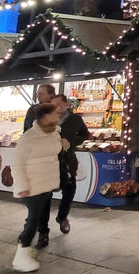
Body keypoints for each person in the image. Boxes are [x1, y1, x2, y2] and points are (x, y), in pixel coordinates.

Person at [12, 103, 62, 273]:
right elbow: (17, 164)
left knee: (40, 217)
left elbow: (54, 152)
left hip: (47, 184)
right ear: (45, 115)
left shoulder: (55, 132)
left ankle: (26, 250)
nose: (59, 113)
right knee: (33, 220)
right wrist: (22, 186)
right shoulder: (29, 137)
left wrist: (65, 144)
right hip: (32, 185)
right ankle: (21, 253)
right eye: (55, 112)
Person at [51, 94, 89, 234]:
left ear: (66, 104)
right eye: (53, 104)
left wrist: (71, 142)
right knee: (46, 192)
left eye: (58, 104)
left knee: (69, 188)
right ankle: (42, 228)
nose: (56, 107)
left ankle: (62, 216)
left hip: (67, 160)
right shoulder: (48, 119)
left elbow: (85, 134)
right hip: (50, 160)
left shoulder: (75, 119)